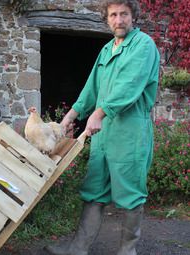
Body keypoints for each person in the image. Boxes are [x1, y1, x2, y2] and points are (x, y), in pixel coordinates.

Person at [43, 0, 160, 255]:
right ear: (106, 19)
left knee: (130, 194)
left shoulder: (144, 46)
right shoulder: (107, 50)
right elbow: (91, 88)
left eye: (124, 14)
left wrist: (98, 113)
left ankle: (127, 251)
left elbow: (129, 87)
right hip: (102, 134)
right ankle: (78, 248)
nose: (119, 20)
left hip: (129, 133)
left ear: (133, 17)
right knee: (94, 190)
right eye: (114, 15)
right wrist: (70, 117)